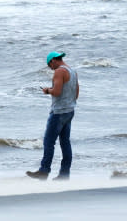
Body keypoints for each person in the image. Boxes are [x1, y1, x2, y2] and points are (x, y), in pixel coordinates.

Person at [27, 51, 79, 181]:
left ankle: (44, 171)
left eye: (50, 65)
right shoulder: (73, 71)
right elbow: (76, 93)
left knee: (48, 142)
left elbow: (56, 92)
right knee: (65, 143)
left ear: (53, 61)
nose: (51, 68)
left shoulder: (59, 72)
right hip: (70, 111)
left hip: (58, 112)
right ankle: (64, 174)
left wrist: (47, 91)